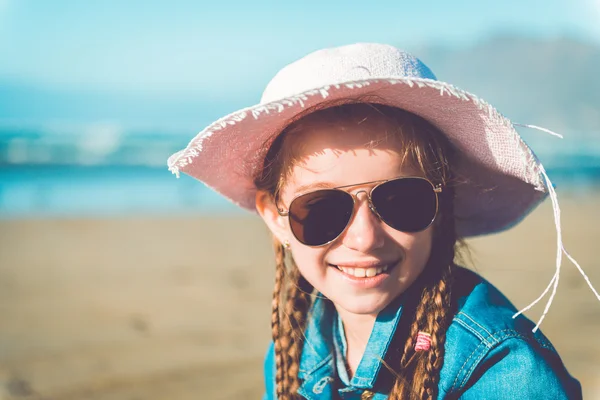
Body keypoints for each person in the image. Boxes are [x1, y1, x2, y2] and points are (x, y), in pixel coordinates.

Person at [168, 43, 597, 399]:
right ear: (275, 217)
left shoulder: (500, 369)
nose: (364, 238)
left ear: (440, 205)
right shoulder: (294, 347)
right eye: (321, 210)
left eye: (401, 201)